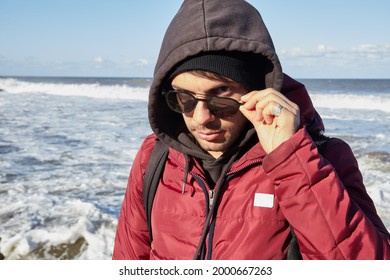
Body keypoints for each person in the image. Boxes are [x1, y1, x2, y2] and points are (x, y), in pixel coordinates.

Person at [113, 0, 390, 260]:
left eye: (221, 96)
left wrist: (291, 159)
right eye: (184, 98)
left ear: (257, 91)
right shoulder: (154, 157)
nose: (201, 117)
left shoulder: (322, 158)